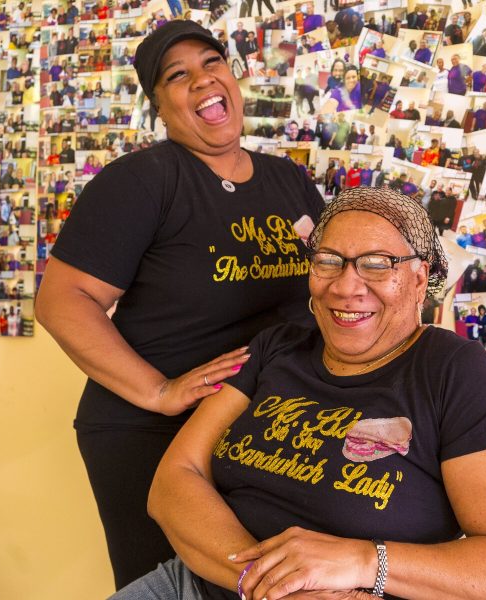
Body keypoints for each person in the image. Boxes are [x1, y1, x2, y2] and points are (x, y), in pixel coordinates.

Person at [109, 187, 486, 600]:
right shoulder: (276, 347)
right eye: (328, 261)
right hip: (199, 583)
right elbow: (173, 480)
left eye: (377, 264)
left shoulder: (451, 370)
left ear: (417, 279)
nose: (346, 286)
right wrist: (270, 582)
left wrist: (363, 561)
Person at [34, 21, 326, 589]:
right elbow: (61, 301)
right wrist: (159, 392)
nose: (201, 81)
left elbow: (325, 286)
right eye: (177, 75)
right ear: (159, 107)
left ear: (233, 78)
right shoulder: (143, 181)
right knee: (174, 586)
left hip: (261, 426)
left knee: (264, 582)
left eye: (211, 62)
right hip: (149, 434)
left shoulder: (289, 180)